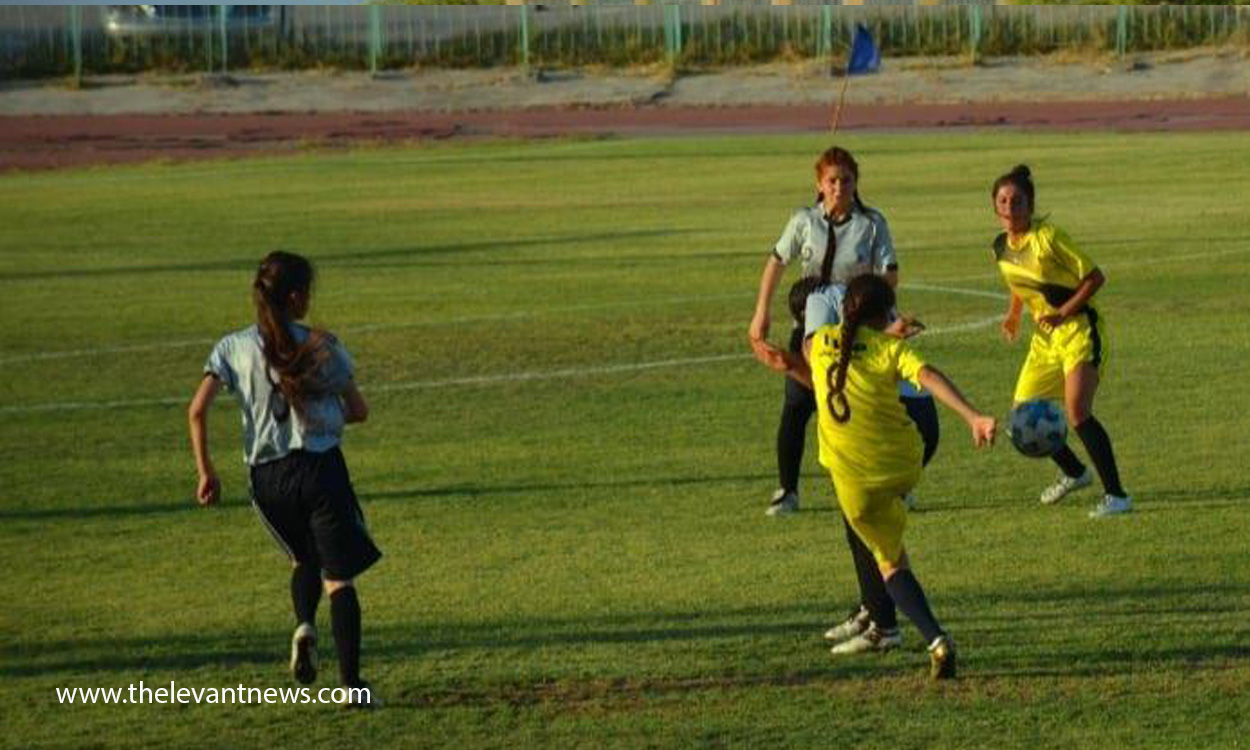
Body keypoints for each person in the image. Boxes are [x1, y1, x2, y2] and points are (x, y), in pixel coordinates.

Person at [187, 251, 382, 707]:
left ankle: (303, 625)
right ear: (296, 296)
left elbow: (196, 410)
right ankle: (352, 687)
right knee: (340, 580)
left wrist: (206, 471)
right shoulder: (320, 345)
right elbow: (359, 411)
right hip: (319, 469)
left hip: (267, 479)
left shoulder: (231, 347)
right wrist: (324, 415)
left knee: (301, 555)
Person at [808, 274, 996, 679]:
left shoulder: (821, 343)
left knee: (891, 563)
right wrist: (973, 416)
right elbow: (928, 375)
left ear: (845, 311)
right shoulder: (890, 350)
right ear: (886, 315)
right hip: (904, 463)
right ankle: (914, 634)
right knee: (889, 547)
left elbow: (812, 350)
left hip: (856, 481)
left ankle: (930, 638)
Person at [750, 146, 938, 518]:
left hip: (861, 325)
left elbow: (891, 274)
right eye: (832, 180)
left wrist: (872, 308)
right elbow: (776, 262)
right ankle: (788, 490)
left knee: (890, 408)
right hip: (812, 326)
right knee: (798, 405)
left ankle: (896, 485)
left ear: (856, 182)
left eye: (846, 180)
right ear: (819, 184)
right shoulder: (804, 221)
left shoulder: (872, 223)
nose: (839, 187)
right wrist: (761, 313)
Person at [990, 165, 1132, 518]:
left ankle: (1117, 496)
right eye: (1003, 201)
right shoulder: (999, 246)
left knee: (1077, 412)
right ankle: (1074, 472)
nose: (1010, 207)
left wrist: (1064, 311)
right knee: (1022, 416)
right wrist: (1013, 314)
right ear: (995, 207)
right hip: (1045, 339)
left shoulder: (1050, 237)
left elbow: (1095, 277)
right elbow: (1020, 284)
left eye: (1017, 201)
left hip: (1079, 329)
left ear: (1031, 204)